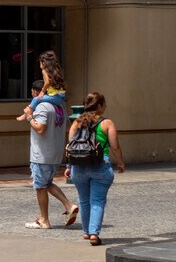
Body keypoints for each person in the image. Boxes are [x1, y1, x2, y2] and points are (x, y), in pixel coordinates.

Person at [68, 92, 125, 247]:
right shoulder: (107, 123)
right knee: (97, 200)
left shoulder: (77, 122)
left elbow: (71, 147)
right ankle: (94, 234)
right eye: (104, 104)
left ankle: (86, 232)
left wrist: (69, 166)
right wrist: (120, 162)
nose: (105, 107)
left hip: (79, 167)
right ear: (99, 106)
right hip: (100, 165)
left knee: (83, 200)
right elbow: (115, 146)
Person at [22, 79, 78, 231]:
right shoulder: (59, 107)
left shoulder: (42, 106)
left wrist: (29, 117)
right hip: (55, 153)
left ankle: (44, 220)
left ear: (36, 92)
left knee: (40, 187)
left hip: (41, 154)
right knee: (47, 183)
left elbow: (40, 129)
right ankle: (69, 205)